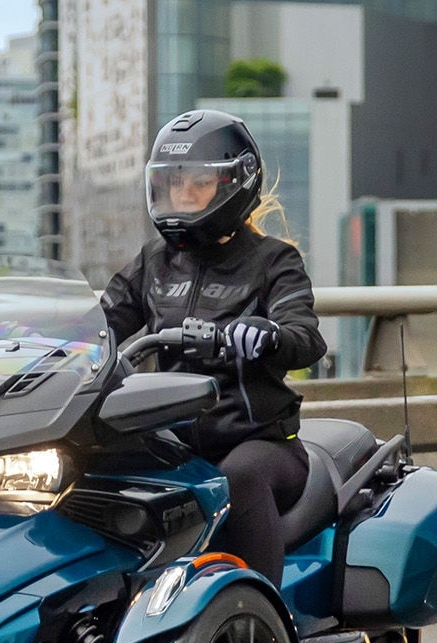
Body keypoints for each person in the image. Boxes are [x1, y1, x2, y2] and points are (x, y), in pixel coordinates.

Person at [100, 109, 327, 584]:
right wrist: (22, 340)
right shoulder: (154, 263)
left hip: (260, 442)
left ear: (233, 182)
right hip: (173, 439)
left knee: (239, 478)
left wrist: (269, 335)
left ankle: (261, 613)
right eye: (173, 183)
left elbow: (306, 338)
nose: (183, 194)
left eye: (198, 182)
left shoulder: (273, 261)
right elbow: (100, 325)